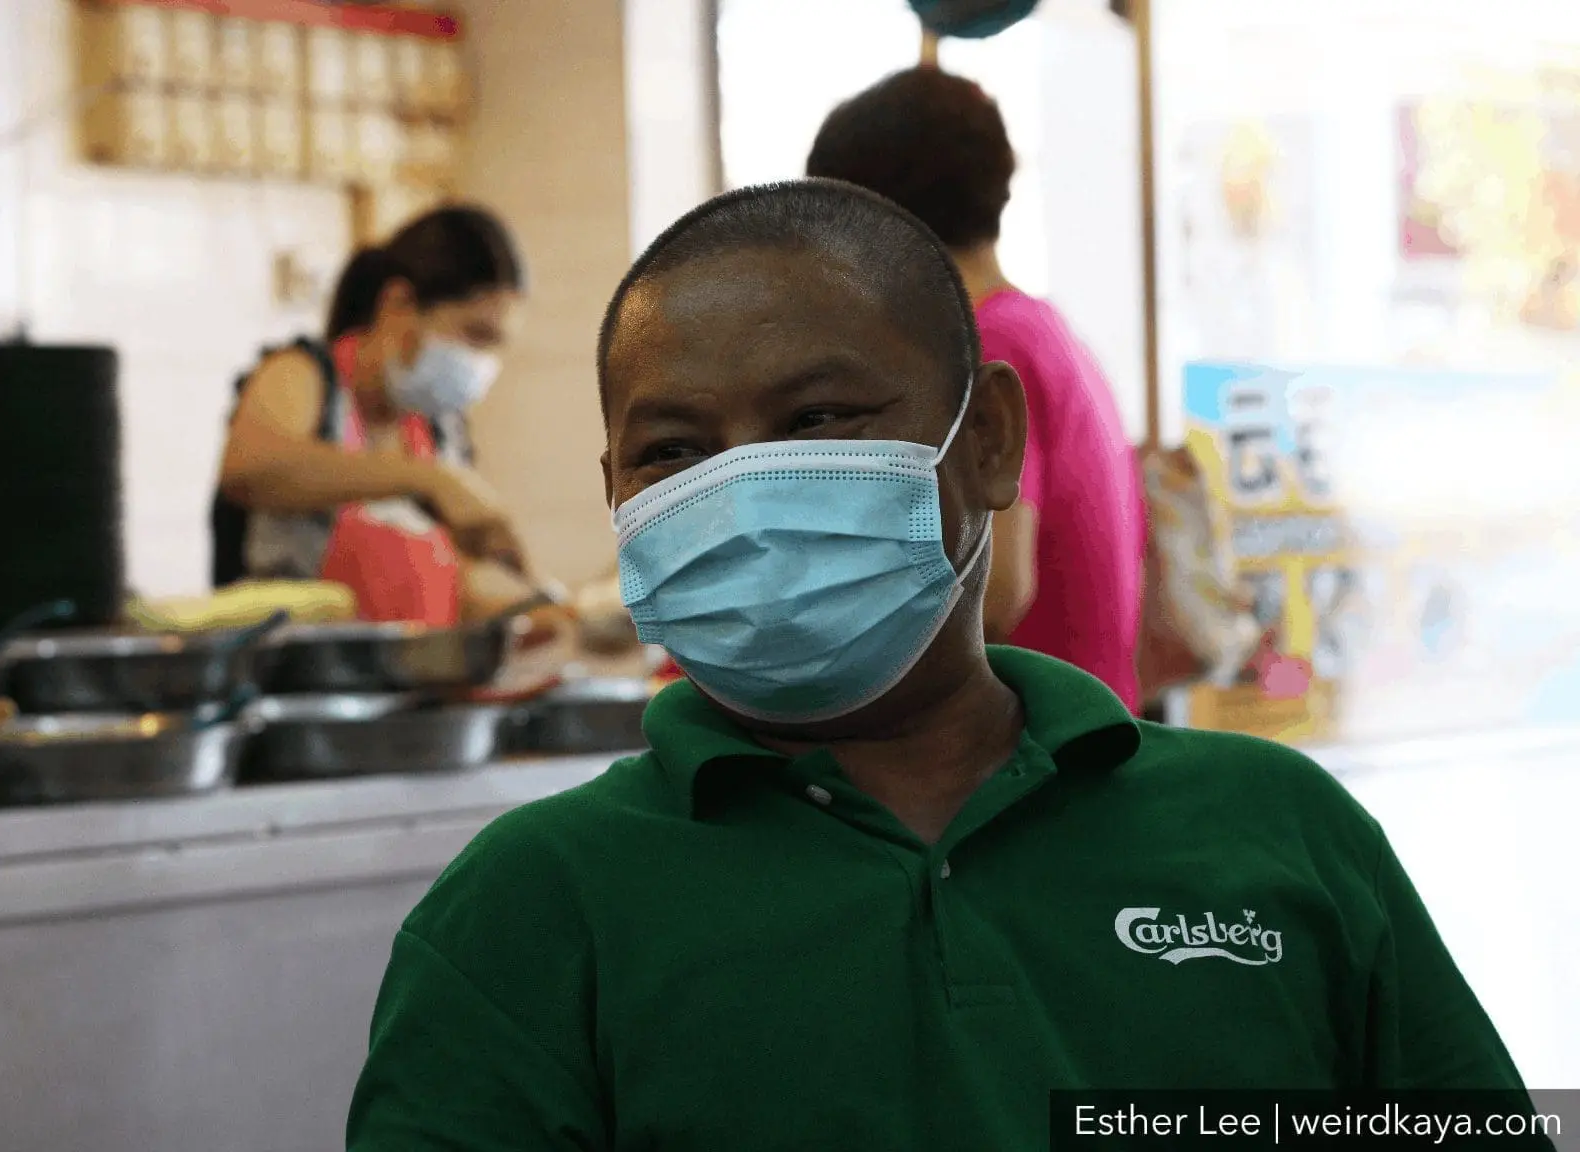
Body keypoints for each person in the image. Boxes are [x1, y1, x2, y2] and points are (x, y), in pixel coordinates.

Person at [346, 181, 1540, 1150]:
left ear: (990, 446)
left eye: (818, 422)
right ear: (617, 495)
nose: (747, 495)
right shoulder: (527, 915)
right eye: (674, 450)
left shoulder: (1279, 834)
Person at [807, 66, 1147, 713]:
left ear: (873, 218)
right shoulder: (1043, 331)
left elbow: (992, 596)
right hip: (1078, 738)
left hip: (1032, 763)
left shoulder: (981, 346)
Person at [211, 205, 527, 626]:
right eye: (473, 334)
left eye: (493, 345)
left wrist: (549, 614)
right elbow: (250, 469)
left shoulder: (438, 429)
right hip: (293, 679)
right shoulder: (303, 376)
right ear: (398, 303)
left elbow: (457, 590)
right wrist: (430, 479)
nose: (479, 361)